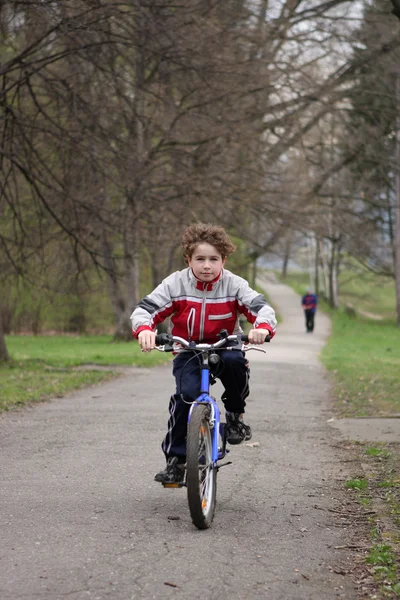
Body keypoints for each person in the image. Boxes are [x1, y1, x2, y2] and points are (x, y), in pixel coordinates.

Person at [130, 223, 277, 484]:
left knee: (235, 364)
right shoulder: (175, 284)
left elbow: (261, 307)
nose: (206, 266)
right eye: (200, 259)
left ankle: (234, 416)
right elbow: (145, 309)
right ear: (188, 259)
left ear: (224, 260)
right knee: (185, 397)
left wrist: (262, 328)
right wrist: (144, 330)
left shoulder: (234, 284)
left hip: (225, 345)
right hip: (188, 349)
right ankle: (176, 460)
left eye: (213, 259)